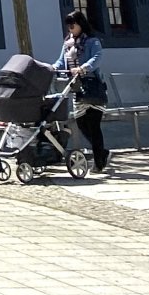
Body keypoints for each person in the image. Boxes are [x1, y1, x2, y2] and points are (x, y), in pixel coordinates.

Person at [55, 9, 110, 173]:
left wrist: (83, 68)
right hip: (76, 88)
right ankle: (102, 152)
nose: (70, 28)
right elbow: (61, 61)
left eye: (73, 24)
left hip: (93, 86)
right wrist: (52, 68)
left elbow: (97, 57)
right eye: (68, 25)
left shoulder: (92, 41)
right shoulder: (67, 43)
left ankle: (99, 161)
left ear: (81, 24)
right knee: (81, 123)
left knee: (93, 125)